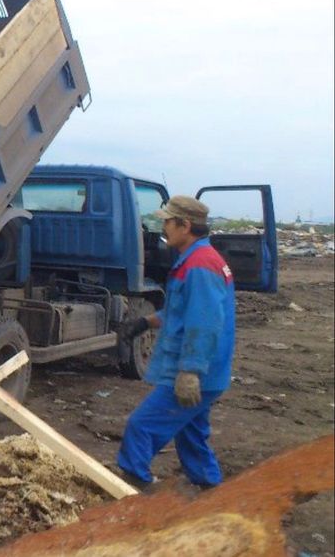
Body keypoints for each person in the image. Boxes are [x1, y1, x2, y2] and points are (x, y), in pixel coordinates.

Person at [117, 195, 235, 488]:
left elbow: (204, 323)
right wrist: (145, 322)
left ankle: (135, 486)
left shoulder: (200, 265)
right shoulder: (197, 260)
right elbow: (180, 312)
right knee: (191, 435)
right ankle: (210, 489)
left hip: (194, 373)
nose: (162, 227)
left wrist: (190, 372)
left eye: (167, 222)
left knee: (141, 427)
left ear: (185, 226)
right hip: (207, 372)